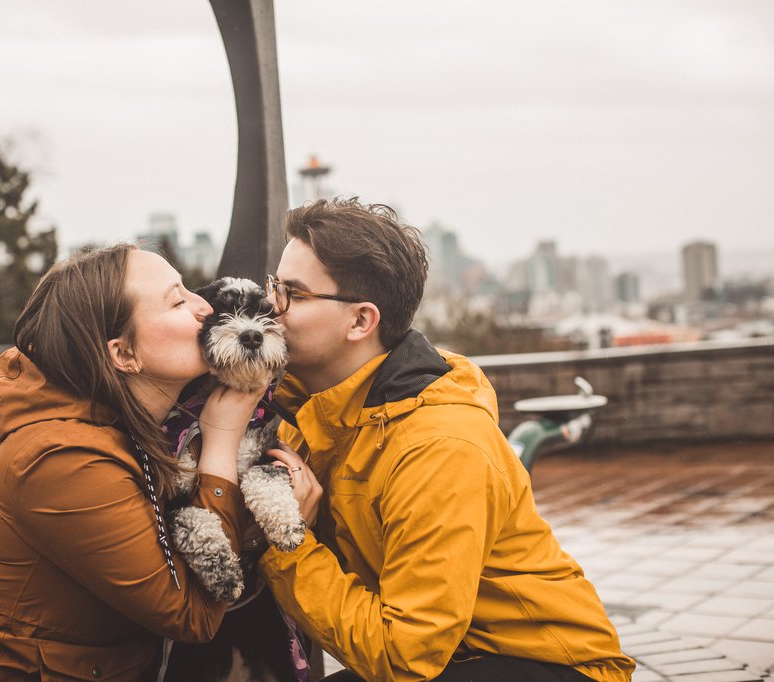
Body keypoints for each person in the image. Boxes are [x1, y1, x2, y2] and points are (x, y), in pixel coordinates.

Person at [258, 198, 635, 682]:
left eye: (294, 292)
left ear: (360, 321)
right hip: (451, 653)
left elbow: (405, 657)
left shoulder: (438, 445)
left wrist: (286, 545)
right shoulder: (308, 405)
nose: (271, 305)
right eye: (274, 285)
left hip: (549, 665)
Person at [0, 244, 266, 681]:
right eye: (177, 299)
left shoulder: (126, 425)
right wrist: (224, 439)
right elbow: (193, 615)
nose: (204, 307)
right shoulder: (61, 459)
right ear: (124, 355)